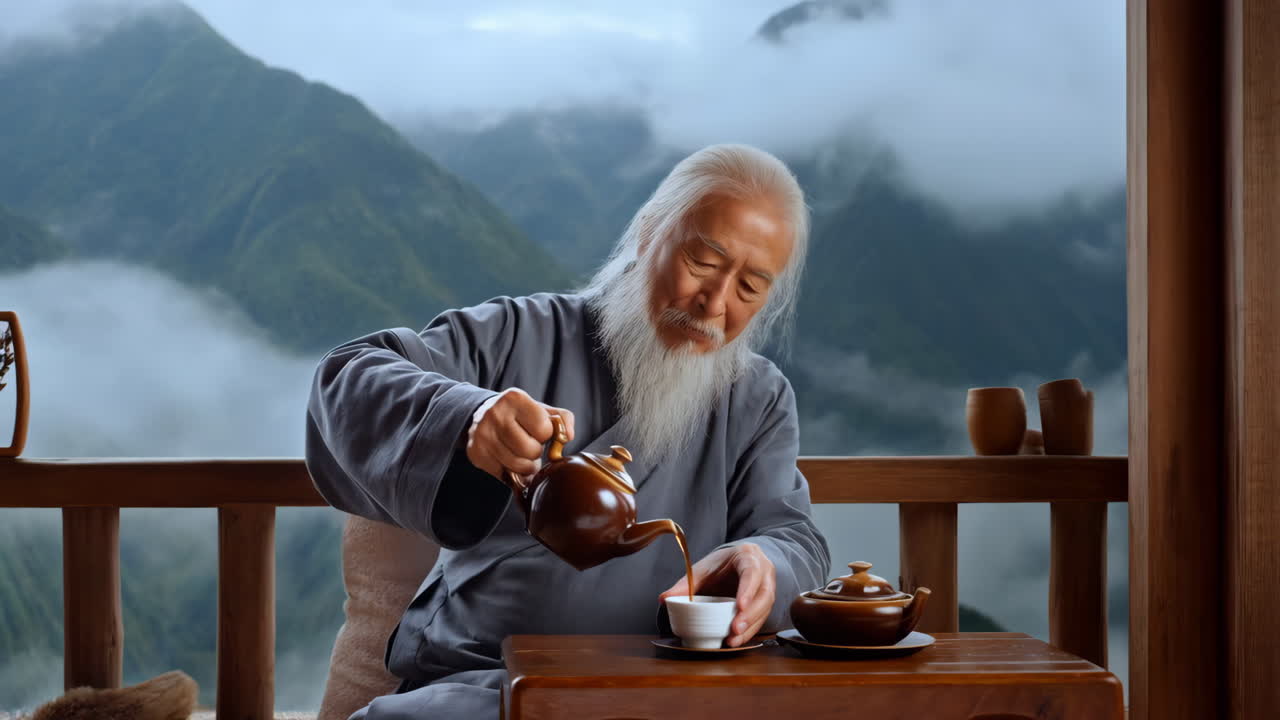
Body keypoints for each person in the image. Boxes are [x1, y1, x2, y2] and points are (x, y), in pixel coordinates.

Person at [305, 143, 831, 719]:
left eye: (750, 288)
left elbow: (792, 535)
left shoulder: (757, 399)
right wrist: (468, 417)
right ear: (650, 232)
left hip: (671, 693)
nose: (715, 303)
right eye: (703, 263)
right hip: (491, 686)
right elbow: (349, 373)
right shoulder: (519, 335)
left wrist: (764, 563)